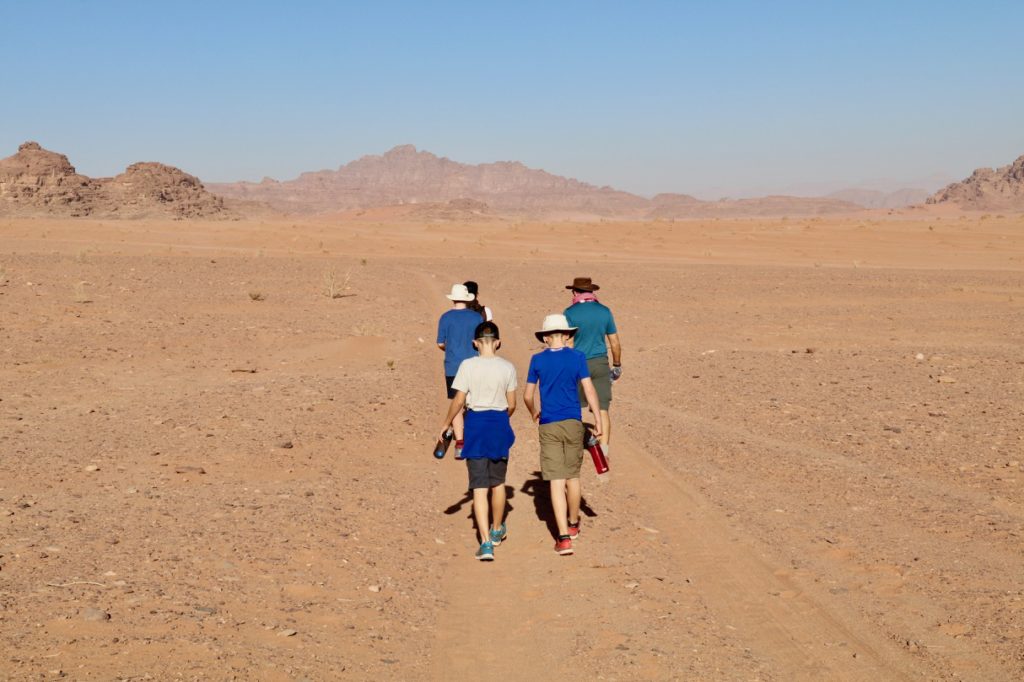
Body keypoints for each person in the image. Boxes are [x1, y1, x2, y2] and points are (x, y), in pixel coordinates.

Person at [523, 314, 602, 556]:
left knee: (556, 480)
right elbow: (588, 388)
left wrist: (534, 412)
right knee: (573, 476)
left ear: (546, 337)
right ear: (566, 335)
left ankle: (564, 538)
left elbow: (527, 395)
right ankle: (574, 522)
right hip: (573, 422)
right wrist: (598, 419)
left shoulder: (536, 360)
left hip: (549, 423)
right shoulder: (577, 357)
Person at [439, 321, 517, 561]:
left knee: (479, 488)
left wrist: (446, 423)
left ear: (475, 343)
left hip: (475, 425)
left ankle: (485, 544)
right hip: (498, 424)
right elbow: (511, 404)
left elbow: (459, 400)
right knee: (498, 483)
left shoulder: (467, 365)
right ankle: (496, 529)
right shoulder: (507, 367)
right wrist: (501, 418)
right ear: (498, 342)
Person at [564, 277, 621, 451]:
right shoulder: (604, 311)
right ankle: (604, 450)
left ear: (575, 292)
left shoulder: (569, 313)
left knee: (575, 406)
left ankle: (575, 444)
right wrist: (617, 364)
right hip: (601, 363)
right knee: (602, 407)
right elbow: (615, 342)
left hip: (578, 363)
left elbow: (569, 343)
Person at [436, 284, 484, 457]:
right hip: (474, 366)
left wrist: (450, 350)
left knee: (456, 403)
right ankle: (476, 439)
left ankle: (460, 445)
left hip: (452, 366)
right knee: (473, 402)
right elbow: (481, 341)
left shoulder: (445, 318)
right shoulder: (476, 318)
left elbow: (440, 343)